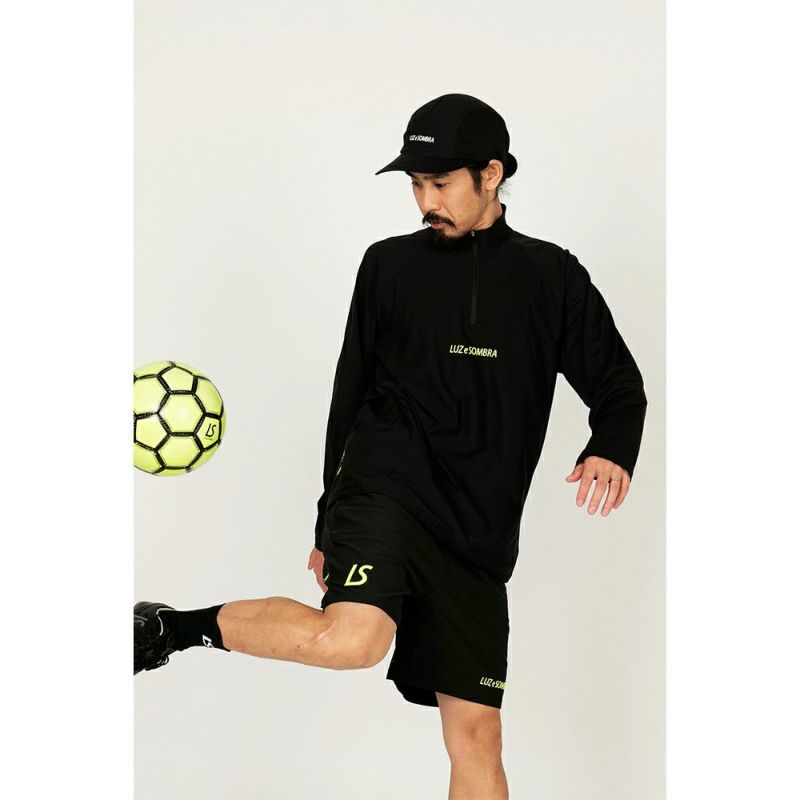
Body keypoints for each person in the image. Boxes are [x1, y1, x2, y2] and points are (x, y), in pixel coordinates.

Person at [134, 93, 648, 800]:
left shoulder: (551, 277)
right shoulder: (389, 265)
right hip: (388, 490)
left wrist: (610, 445)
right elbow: (349, 392)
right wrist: (328, 518)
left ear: (491, 174)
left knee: (478, 735)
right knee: (353, 640)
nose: (425, 201)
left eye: (440, 182)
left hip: (478, 532)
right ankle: (169, 629)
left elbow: (619, 385)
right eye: (416, 183)